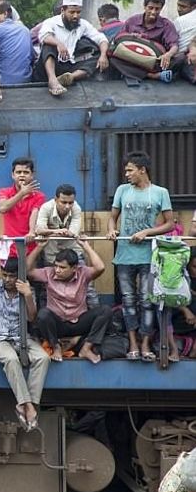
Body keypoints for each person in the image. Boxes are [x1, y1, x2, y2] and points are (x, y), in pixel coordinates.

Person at [106, 151, 174, 361]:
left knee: (146, 301)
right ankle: (133, 343)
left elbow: (170, 224)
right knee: (128, 300)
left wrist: (147, 232)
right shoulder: (122, 190)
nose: (126, 174)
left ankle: (145, 344)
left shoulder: (160, 192)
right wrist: (111, 230)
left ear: (142, 170)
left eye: (130, 170)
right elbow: (112, 217)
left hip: (147, 256)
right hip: (124, 255)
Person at [0, 250, 48, 432]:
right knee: (11, 360)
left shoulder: (26, 290)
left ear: (19, 277)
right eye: (5, 275)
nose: (8, 279)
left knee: (43, 358)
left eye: (12, 276)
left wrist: (28, 296)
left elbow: (32, 318)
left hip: (20, 337)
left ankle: (28, 404)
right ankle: (29, 407)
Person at [27, 239, 109, 363]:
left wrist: (86, 246)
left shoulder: (83, 273)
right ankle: (56, 347)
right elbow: (27, 271)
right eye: (56, 266)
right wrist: (39, 247)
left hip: (78, 323)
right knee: (43, 314)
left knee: (105, 311)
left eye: (62, 267)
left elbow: (100, 267)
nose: (57, 270)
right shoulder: (48, 273)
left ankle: (86, 348)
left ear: (74, 268)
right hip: (58, 325)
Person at [34, 0, 109, 97]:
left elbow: (101, 39)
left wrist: (103, 55)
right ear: (63, 10)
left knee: (98, 56)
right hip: (49, 67)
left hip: (69, 65)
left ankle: (70, 77)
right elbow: (44, 36)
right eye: (72, 12)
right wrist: (58, 44)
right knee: (48, 46)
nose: (75, 16)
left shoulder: (83, 24)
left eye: (78, 12)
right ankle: (53, 80)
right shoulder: (51, 22)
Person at [111, 0, 179, 83]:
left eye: (157, 9)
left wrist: (168, 55)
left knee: (181, 58)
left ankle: (134, 73)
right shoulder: (132, 21)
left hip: (154, 62)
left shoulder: (167, 24)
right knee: (112, 58)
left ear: (161, 8)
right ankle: (151, 75)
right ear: (144, 6)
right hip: (132, 58)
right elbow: (119, 39)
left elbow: (174, 45)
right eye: (150, 8)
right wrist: (130, 37)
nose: (153, 12)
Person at [0, 157, 46, 262]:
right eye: (18, 172)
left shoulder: (39, 196)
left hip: (31, 248)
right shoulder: (4, 192)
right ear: (13, 175)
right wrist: (22, 193)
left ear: (32, 175)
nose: (22, 175)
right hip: (10, 249)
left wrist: (31, 232)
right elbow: (3, 208)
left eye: (26, 172)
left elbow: (34, 213)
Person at [0, 1, 33, 84]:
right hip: (26, 80)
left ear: (5, 14)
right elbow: (31, 56)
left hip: (2, 81)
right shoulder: (25, 30)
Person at [174, 0, 196, 83]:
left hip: (185, 60)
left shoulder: (180, 21)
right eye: (178, 5)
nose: (179, 9)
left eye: (183, 7)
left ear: (193, 7)